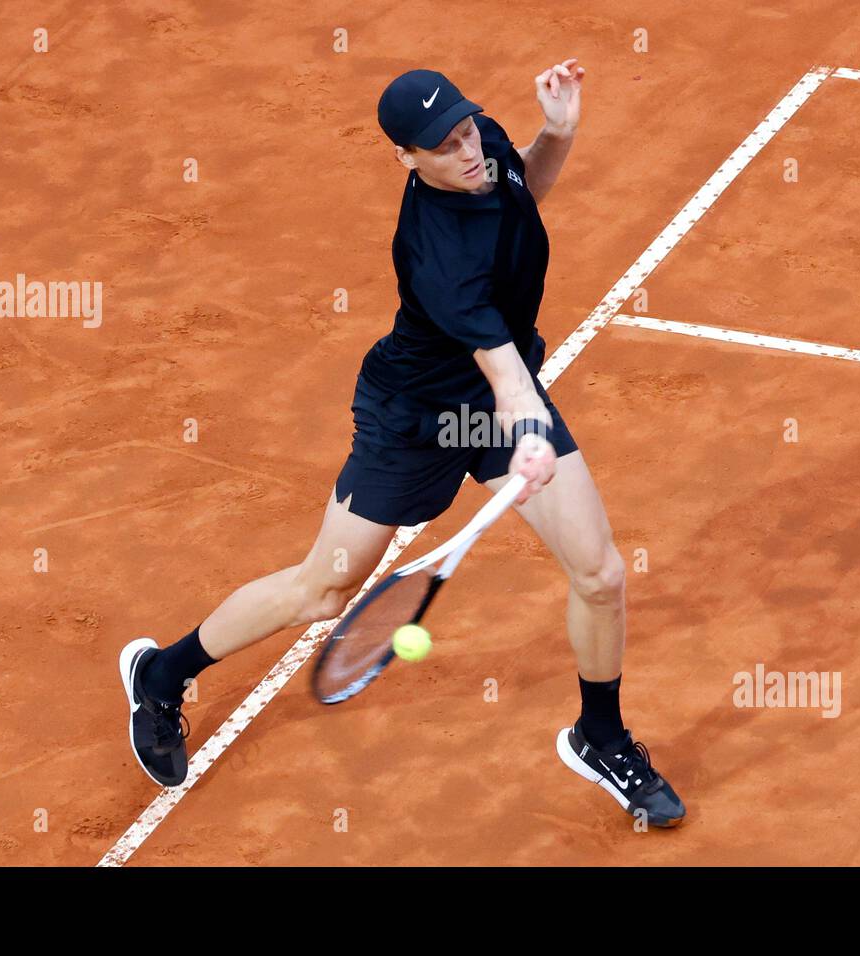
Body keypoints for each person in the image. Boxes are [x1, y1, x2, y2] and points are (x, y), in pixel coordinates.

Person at [118, 60, 685, 828]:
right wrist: (526, 434)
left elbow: (523, 201)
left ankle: (601, 735)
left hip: (493, 399)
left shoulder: (481, 145)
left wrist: (555, 133)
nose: (467, 148)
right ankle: (162, 673)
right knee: (322, 591)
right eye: (444, 145)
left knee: (600, 573)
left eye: (463, 128)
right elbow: (507, 379)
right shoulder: (436, 258)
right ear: (406, 161)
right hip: (414, 419)